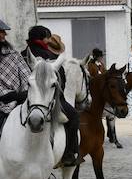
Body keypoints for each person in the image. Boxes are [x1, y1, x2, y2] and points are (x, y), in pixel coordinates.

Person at [20, 25, 79, 166]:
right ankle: (69, 153)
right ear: (43, 39)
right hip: (48, 99)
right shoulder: (51, 57)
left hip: (24, 97)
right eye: (47, 37)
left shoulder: (22, 54)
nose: (49, 40)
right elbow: (61, 82)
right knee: (74, 116)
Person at [0, 18, 30, 133]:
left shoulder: (14, 54)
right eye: (1, 31)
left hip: (20, 100)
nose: (5, 34)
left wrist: (23, 94)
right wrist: (6, 95)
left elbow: (26, 75)